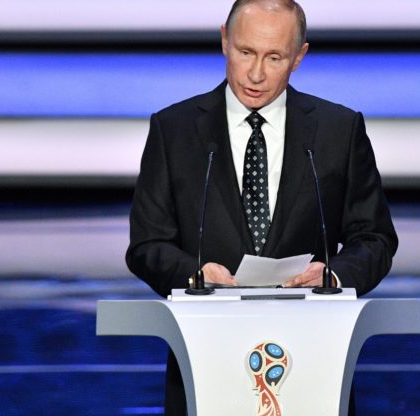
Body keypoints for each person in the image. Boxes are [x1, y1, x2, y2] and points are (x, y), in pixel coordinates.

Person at [125, 0, 397, 414]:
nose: (256, 74)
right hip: (206, 353)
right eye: (245, 52)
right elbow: (147, 245)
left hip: (312, 355)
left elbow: (374, 239)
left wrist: (334, 276)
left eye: (274, 57)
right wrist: (194, 274)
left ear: (299, 56)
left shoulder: (338, 130)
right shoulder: (173, 130)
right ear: (224, 41)